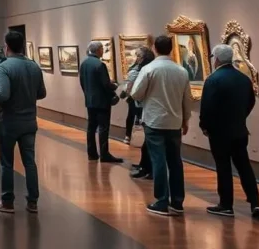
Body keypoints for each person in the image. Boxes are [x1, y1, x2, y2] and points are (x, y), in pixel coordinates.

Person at [130, 35, 191, 217]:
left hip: (154, 121)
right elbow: (186, 99)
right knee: (175, 162)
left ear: (155, 48)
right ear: (171, 48)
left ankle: (162, 201)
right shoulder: (181, 71)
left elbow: (136, 93)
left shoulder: (149, 69)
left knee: (158, 161)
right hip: (174, 122)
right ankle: (177, 202)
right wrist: (185, 120)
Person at [200, 45, 259, 218]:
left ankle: (226, 204)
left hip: (219, 132)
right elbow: (250, 102)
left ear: (217, 59)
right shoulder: (244, 79)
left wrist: (204, 126)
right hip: (239, 130)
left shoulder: (213, 80)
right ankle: (255, 202)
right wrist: (240, 118)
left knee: (223, 167)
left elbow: (207, 107)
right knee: (244, 166)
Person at [0, 31, 46, 214]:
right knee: (30, 162)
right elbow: (42, 93)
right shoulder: (34, 66)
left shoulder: (4, 67)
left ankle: (7, 202)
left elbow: (3, 95)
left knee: (7, 162)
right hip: (29, 121)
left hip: (10, 121)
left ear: (6, 46)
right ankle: (33, 202)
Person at [80, 41, 122, 163]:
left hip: (90, 101)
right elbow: (106, 84)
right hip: (102, 102)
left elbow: (82, 82)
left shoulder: (84, 63)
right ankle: (104, 154)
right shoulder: (100, 64)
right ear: (98, 50)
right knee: (103, 128)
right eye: (102, 48)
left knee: (91, 127)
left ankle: (92, 153)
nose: (103, 51)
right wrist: (115, 88)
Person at [124, 47, 156, 180]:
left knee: (148, 141)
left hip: (145, 107)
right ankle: (145, 166)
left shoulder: (142, 71)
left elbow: (134, 92)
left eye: (138, 56)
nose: (136, 59)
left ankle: (148, 169)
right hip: (152, 109)